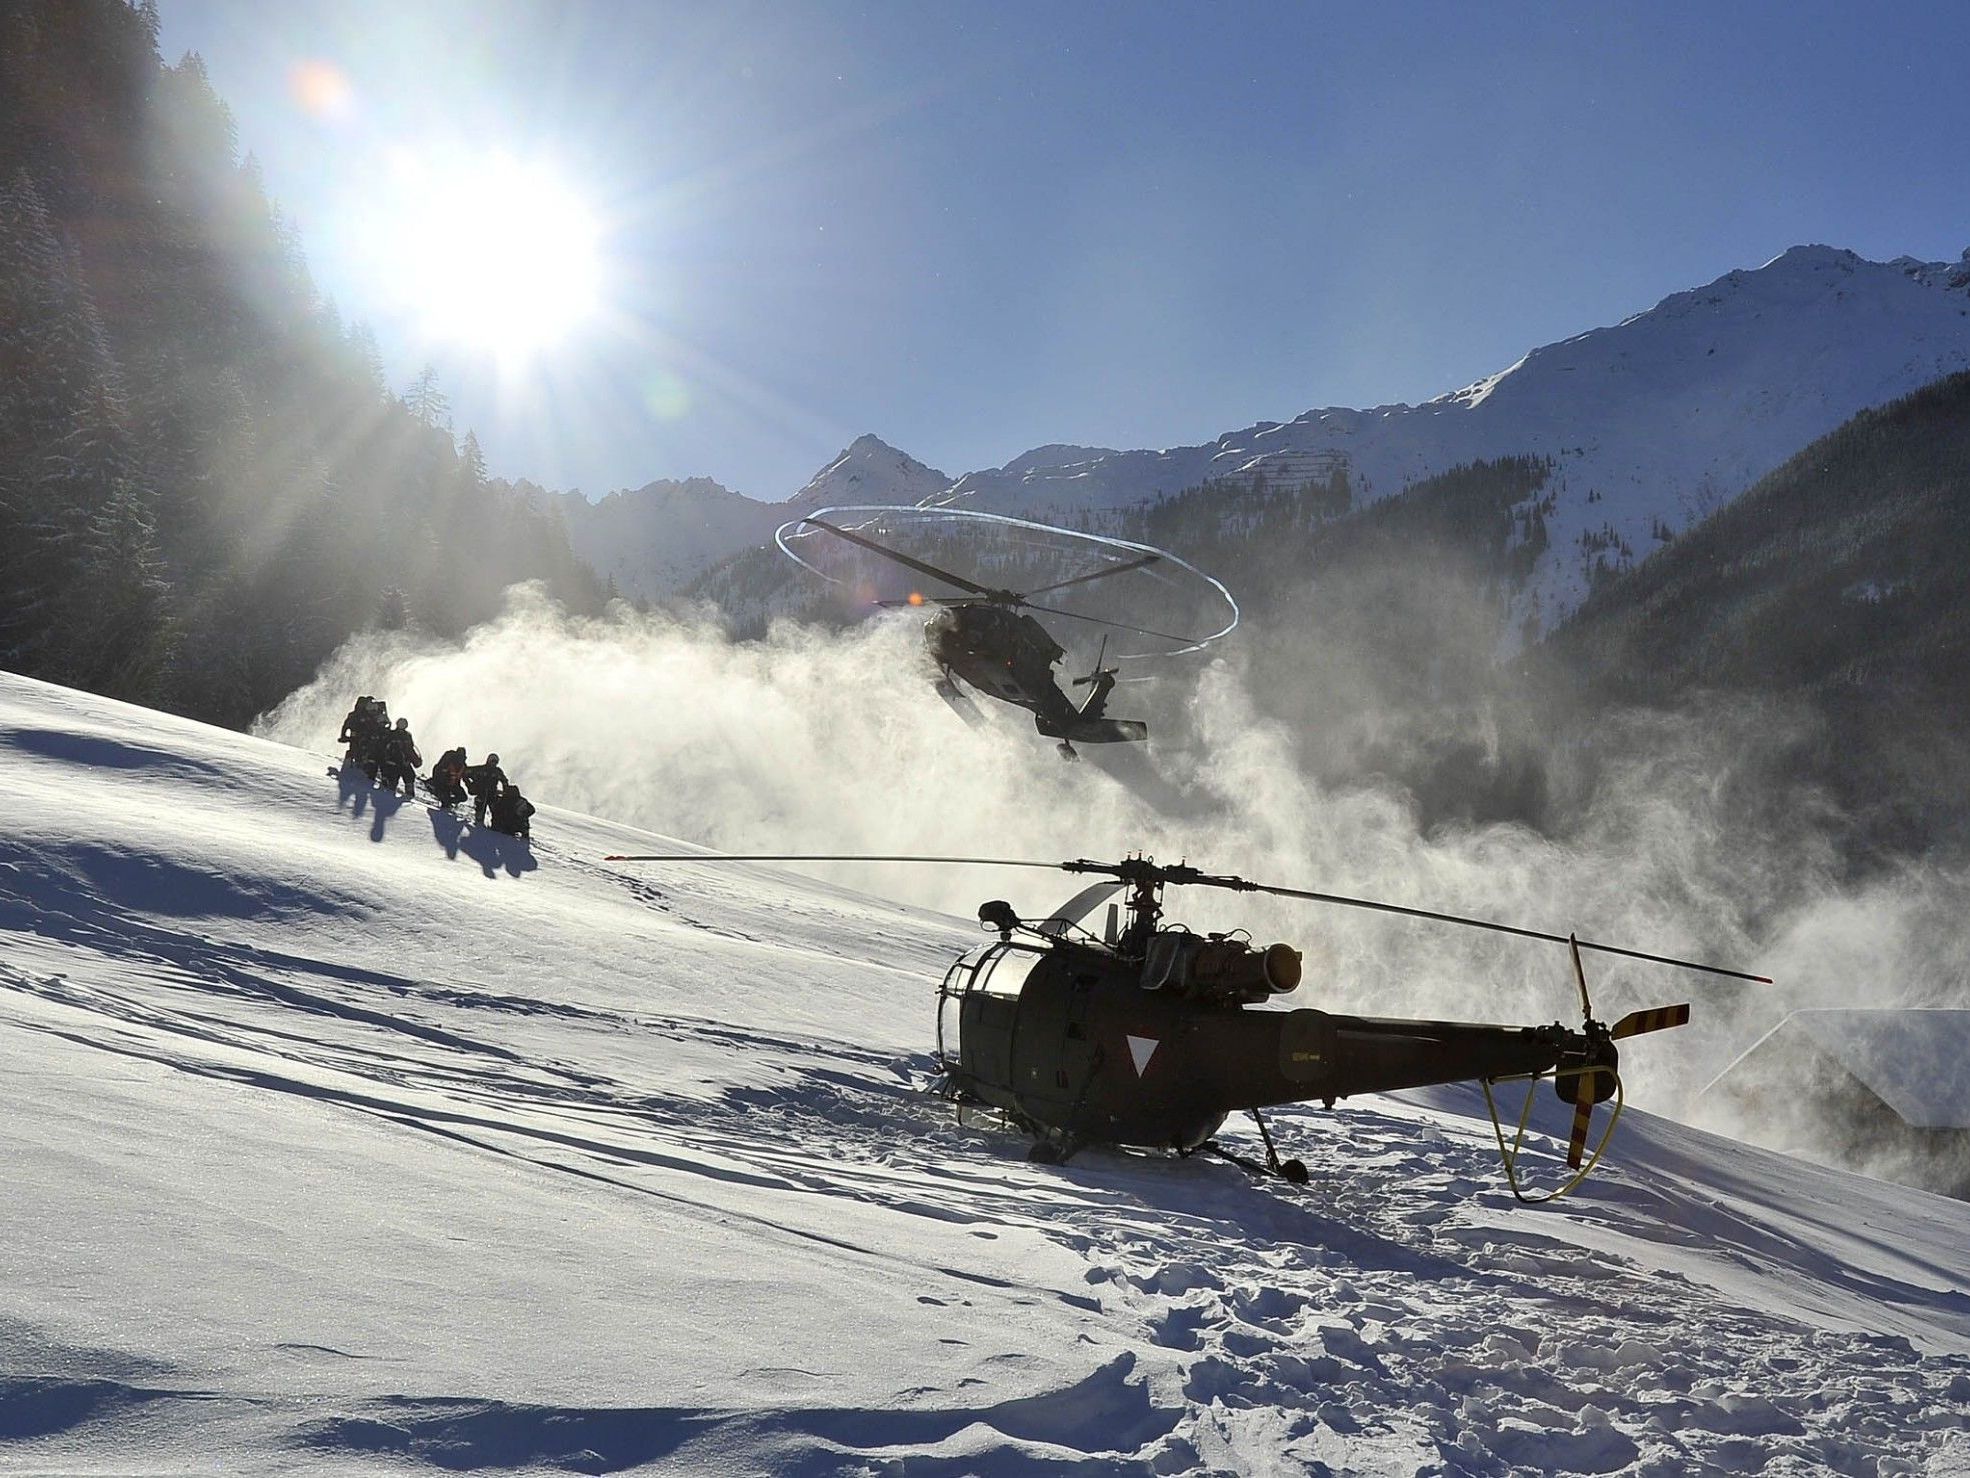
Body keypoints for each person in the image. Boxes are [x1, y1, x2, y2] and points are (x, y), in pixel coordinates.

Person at [377, 718, 422, 797]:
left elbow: (410, 749)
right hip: (392, 763)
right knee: (392, 781)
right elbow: (384, 748)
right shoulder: (391, 734)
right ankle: (387, 797)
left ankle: (409, 794)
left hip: (404, 763)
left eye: (403, 724)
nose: (402, 726)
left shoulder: (407, 735)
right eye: (401, 724)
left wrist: (415, 760)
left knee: (410, 777)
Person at [463, 752, 508, 826]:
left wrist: (505, 790)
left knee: (497, 813)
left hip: (492, 794)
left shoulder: (497, 771)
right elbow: (465, 772)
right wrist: (470, 785)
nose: (494, 763)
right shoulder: (480, 769)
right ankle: (479, 826)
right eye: (492, 761)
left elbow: (504, 780)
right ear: (488, 760)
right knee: (479, 816)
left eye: (496, 761)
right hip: (481, 794)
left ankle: (495, 826)